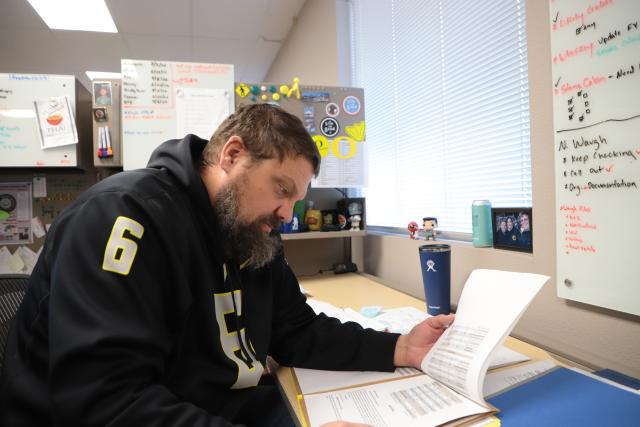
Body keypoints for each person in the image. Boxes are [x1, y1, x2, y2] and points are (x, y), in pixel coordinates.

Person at [0, 104, 454, 427]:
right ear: (232, 155)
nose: (286, 215)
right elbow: (107, 403)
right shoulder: (122, 219)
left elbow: (295, 330)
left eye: (295, 199)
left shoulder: (249, 232)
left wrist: (402, 349)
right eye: (281, 189)